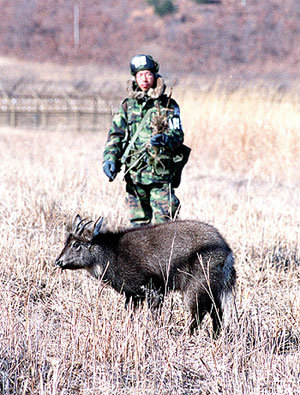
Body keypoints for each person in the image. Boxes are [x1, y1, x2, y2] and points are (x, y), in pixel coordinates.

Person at [102, 54, 184, 227]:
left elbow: (178, 135)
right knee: (138, 230)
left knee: (166, 225)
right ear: (135, 78)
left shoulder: (168, 104)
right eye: (140, 75)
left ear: (155, 75)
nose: (144, 79)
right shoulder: (128, 106)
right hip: (135, 175)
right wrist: (110, 159)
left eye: (148, 74)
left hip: (160, 175)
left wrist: (165, 139)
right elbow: (115, 135)